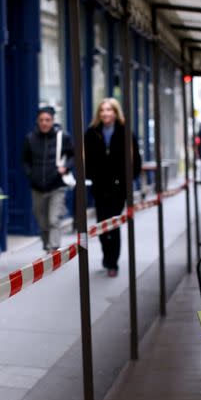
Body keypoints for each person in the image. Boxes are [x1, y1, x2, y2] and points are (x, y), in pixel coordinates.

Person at [84, 98, 142, 277]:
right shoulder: (92, 132)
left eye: (109, 110)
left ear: (115, 113)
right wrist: (90, 178)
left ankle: (112, 263)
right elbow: (86, 160)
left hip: (119, 187)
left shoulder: (125, 132)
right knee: (101, 224)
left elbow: (136, 159)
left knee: (114, 224)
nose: (105, 113)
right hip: (100, 186)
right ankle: (106, 255)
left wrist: (129, 179)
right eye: (102, 110)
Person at [22, 106, 75, 252]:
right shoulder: (30, 138)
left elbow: (73, 156)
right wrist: (30, 174)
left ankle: (54, 248)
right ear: (37, 121)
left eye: (48, 120)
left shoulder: (62, 136)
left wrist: (66, 168)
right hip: (37, 186)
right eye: (41, 120)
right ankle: (47, 245)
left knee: (53, 220)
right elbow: (25, 160)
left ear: (52, 121)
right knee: (42, 222)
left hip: (56, 185)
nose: (44, 123)